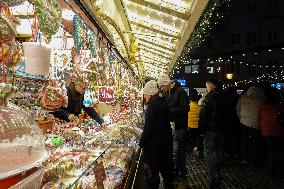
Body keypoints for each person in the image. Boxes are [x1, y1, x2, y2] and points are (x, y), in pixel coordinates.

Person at [139, 80, 173, 189]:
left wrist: (141, 143)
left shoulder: (152, 106)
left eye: (145, 94)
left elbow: (148, 129)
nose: (144, 97)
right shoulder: (162, 102)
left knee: (154, 176)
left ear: (149, 94)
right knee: (166, 172)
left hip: (155, 146)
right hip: (164, 144)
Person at [157, 74, 189, 180]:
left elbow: (185, 108)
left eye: (162, 86)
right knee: (174, 151)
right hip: (171, 127)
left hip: (180, 126)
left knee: (179, 151)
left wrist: (170, 111)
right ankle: (175, 173)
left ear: (167, 83)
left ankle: (182, 175)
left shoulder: (180, 91)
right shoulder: (165, 93)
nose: (162, 89)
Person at [199, 79, 225, 189]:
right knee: (218, 152)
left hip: (210, 130)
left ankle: (214, 179)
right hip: (222, 129)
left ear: (210, 87)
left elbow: (203, 116)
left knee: (209, 153)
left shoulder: (208, 98)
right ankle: (218, 174)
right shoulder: (223, 97)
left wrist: (200, 131)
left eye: (206, 87)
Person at [259, 87, 284, 176]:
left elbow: (260, 116)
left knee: (270, 150)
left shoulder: (262, 105)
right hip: (278, 130)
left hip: (266, 130)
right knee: (278, 150)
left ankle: (270, 168)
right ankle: (278, 168)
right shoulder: (279, 105)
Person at [236, 86, 264, 165]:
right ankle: (254, 158)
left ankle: (244, 158)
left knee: (244, 140)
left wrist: (240, 118)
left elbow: (237, 108)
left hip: (244, 122)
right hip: (257, 123)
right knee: (256, 141)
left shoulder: (243, 97)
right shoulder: (261, 99)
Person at [188, 89, 202, 156]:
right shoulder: (199, 108)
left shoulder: (188, 106)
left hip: (190, 125)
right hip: (197, 125)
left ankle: (194, 146)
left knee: (192, 137)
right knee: (198, 137)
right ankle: (196, 147)